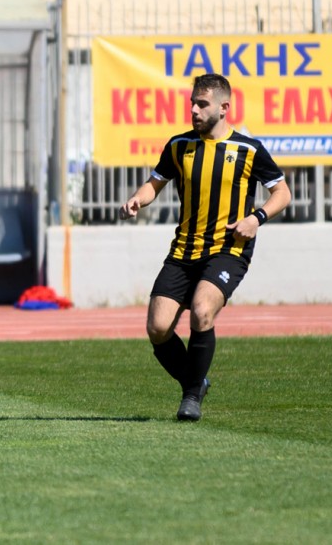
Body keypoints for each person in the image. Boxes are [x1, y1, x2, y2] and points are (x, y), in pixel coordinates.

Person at [119, 73, 291, 422]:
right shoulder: (179, 146)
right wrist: (138, 198)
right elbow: (154, 184)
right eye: (192, 103)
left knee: (202, 310)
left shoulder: (248, 149)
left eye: (202, 104)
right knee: (157, 328)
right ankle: (197, 381)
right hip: (183, 251)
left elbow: (282, 193)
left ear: (224, 107)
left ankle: (191, 397)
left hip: (228, 249)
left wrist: (256, 218)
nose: (194, 110)